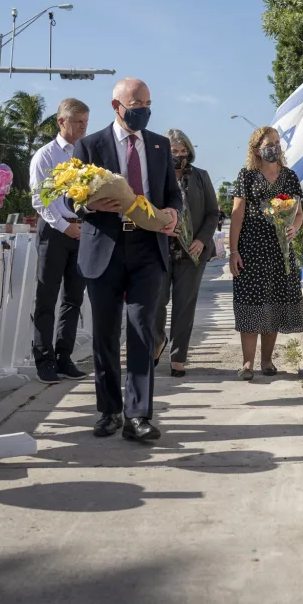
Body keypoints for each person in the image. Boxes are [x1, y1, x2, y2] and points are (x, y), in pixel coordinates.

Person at [72, 78, 181, 442]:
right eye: (137, 103)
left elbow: (172, 195)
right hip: (104, 248)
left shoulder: (160, 145)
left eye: (148, 102)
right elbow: (70, 198)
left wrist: (173, 214)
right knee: (104, 333)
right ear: (117, 106)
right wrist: (89, 205)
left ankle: (138, 416)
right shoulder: (90, 146)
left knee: (141, 329)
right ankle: (109, 411)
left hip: (148, 248)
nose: (144, 110)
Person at [229, 126, 303, 380]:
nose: (274, 147)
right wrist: (233, 251)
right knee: (251, 304)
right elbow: (237, 215)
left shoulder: (290, 176)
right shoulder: (247, 176)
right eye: (268, 143)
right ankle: (247, 363)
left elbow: (299, 214)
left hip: (279, 250)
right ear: (257, 150)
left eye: (276, 142)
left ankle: (267, 361)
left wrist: (293, 228)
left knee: (273, 304)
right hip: (251, 249)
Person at [28, 97, 91, 384]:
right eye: (78, 122)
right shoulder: (46, 155)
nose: (83, 127)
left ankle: (65, 358)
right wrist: (65, 227)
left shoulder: (86, 154)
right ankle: (44, 359)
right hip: (55, 232)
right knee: (46, 297)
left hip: (82, 232)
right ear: (61, 121)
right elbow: (41, 201)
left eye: (86, 122)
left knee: (74, 299)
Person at [154, 129, 219, 377]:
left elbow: (213, 213)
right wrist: (161, 227)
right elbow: (146, 209)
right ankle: (157, 341)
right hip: (161, 249)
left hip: (192, 253)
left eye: (183, 151)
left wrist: (202, 240)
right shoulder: (156, 176)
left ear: (189, 152)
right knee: (157, 302)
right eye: (174, 152)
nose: (179, 155)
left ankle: (178, 357)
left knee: (184, 306)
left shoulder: (201, 177)